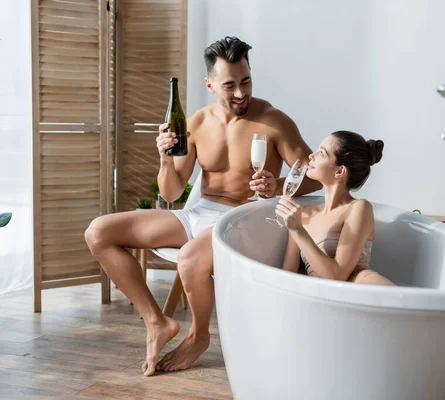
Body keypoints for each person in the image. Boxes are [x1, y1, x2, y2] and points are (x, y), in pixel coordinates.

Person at [84, 36, 321, 376]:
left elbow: (311, 174)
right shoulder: (195, 123)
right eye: (230, 85)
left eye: (246, 81)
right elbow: (171, 192)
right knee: (99, 232)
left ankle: (198, 335)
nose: (241, 93)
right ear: (210, 85)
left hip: (247, 217)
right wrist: (165, 160)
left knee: (190, 257)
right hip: (200, 213)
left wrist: (279, 184)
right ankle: (156, 322)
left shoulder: (273, 121)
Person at [275, 131, 394, 285]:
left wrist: (298, 230)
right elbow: (287, 276)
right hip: (320, 297)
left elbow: (337, 278)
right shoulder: (302, 215)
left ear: (340, 171)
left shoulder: (359, 208)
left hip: (362, 288)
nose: (312, 155)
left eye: (322, 153)